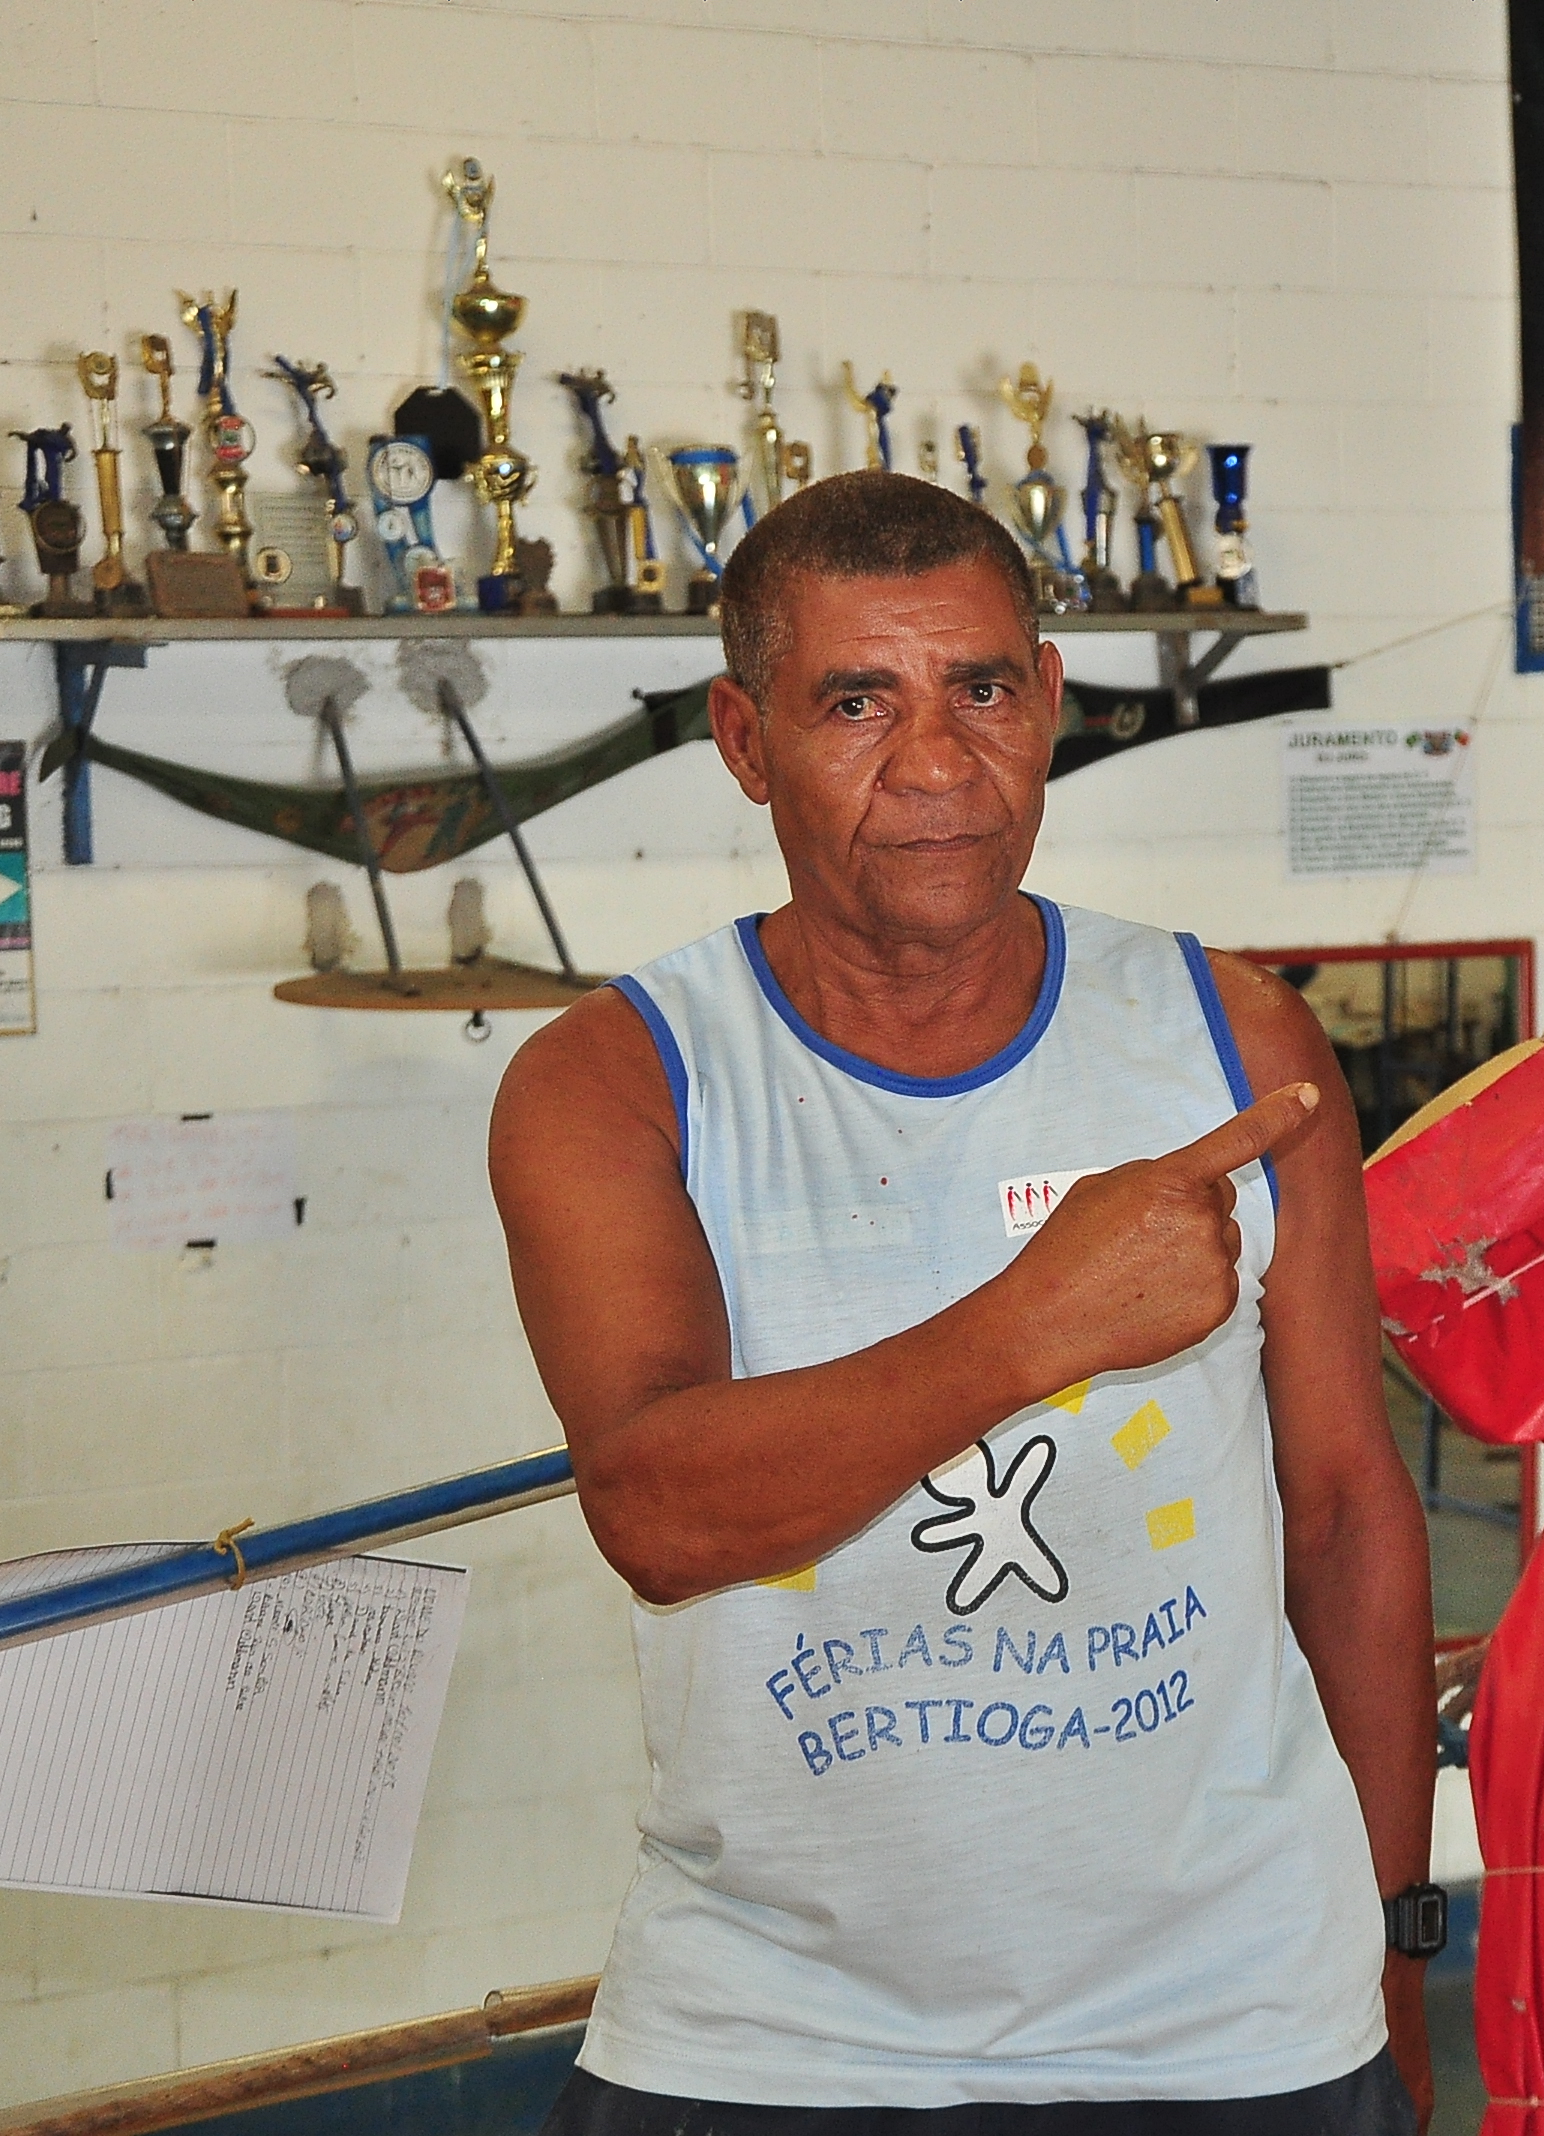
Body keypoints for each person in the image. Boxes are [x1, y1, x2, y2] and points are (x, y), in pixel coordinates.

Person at [489, 471, 1441, 2134]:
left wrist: (1391, 1939)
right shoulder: (617, 1084)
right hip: (772, 2028)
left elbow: (1350, 1509)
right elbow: (657, 1510)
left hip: (1237, 2011)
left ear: (1050, 705)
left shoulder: (1234, 1038)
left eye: (983, 691)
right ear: (742, 736)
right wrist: (1038, 1321)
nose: (936, 766)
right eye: (857, 702)